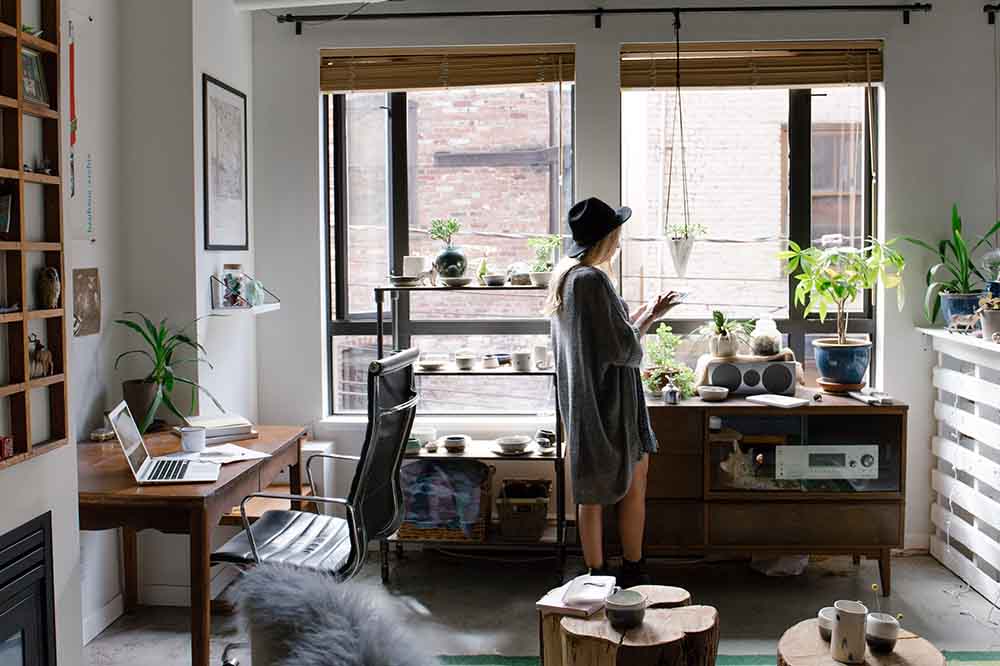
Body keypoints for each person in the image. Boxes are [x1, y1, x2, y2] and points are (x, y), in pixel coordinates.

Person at [543, 197, 681, 587]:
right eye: (617, 234)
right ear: (606, 237)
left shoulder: (567, 278)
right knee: (635, 483)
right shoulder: (594, 280)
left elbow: (605, 336)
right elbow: (622, 349)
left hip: (584, 403)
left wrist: (645, 313)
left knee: (589, 490)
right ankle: (634, 569)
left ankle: (596, 574)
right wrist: (650, 320)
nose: (620, 242)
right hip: (612, 404)